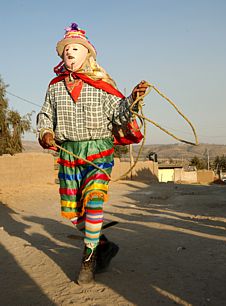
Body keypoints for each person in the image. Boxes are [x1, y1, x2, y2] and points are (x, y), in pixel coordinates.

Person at [37, 22, 148, 285]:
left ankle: (88, 261)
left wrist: (133, 98)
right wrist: (45, 133)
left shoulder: (101, 85)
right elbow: (45, 115)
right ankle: (103, 245)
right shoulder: (54, 87)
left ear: (88, 54)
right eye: (65, 50)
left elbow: (120, 111)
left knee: (94, 200)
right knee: (75, 212)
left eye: (75, 48)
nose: (69, 53)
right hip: (69, 153)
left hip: (98, 150)